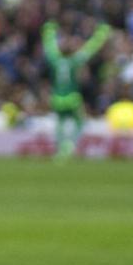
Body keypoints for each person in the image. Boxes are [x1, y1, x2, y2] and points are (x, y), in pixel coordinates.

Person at [42, 16, 111, 159]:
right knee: (79, 121)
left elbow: (49, 46)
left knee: (60, 123)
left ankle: (60, 148)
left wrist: (49, 30)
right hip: (72, 97)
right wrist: (101, 33)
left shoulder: (55, 60)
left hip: (57, 97)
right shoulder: (75, 61)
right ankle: (70, 144)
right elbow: (90, 49)